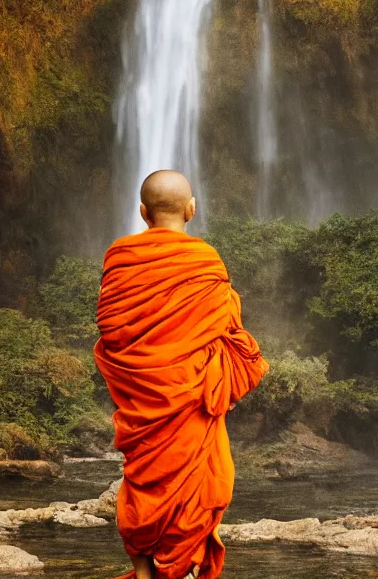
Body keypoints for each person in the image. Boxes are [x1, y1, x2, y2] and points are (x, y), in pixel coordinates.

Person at [95, 170, 269, 579]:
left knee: (142, 479)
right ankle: (182, 566)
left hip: (143, 399)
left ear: (142, 212)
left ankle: (143, 570)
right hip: (190, 397)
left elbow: (111, 329)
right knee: (209, 482)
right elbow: (228, 329)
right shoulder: (204, 260)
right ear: (193, 210)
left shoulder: (119, 258)